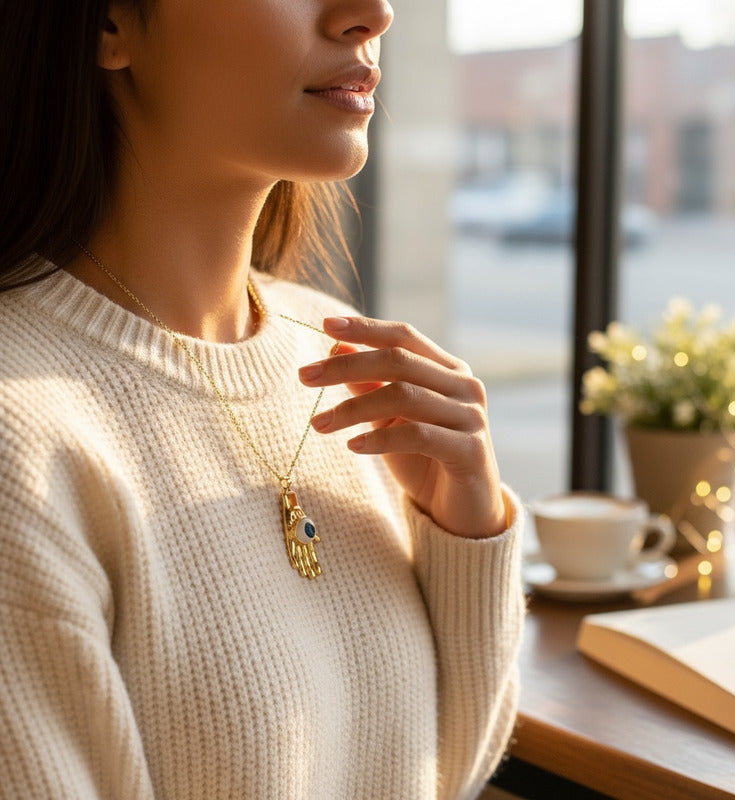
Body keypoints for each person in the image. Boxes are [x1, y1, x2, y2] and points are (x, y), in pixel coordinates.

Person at [0, 1, 525, 798]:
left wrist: (469, 529)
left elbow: (446, 773)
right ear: (110, 24)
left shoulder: (344, 354)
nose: (372, 13)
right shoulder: (22, 440)